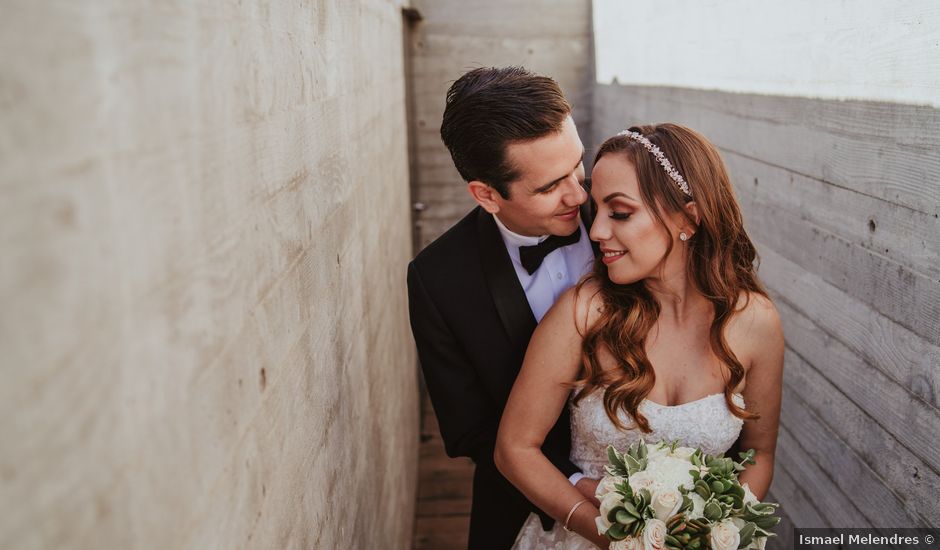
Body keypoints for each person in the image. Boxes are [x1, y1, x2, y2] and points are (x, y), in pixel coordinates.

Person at [494, 124, 785, 549]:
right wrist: (609, 536)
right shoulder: (582, 313)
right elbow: (514, 449)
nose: (595, 232)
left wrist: (714, 531)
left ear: (688, 218)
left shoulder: (756, 322)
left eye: (621, 213)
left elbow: (759, 454)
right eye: (598, 210)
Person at [407, 66, 600, 549]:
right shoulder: (438, 280)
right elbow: (471, 430)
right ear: (487, 194)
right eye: (550, 186)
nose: (579, 193)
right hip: (526, 511)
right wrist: (574, 487)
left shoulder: (626, 212)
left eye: (578, 164)